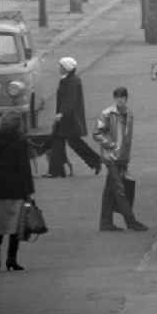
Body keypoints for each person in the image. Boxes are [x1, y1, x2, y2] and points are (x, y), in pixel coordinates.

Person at [0, 109, 34, 271]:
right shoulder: (21, 140)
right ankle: (11, 259)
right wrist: (29, 190)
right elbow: (25, 168)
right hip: (16, 188)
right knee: (15, 225)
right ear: (19, 125)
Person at [93, 87, 148, 231]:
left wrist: (125, 157)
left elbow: (127, 139)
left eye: (123, 97)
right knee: (119, 189)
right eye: (118, 97)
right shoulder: (107, 113)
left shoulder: (129, 114)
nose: (120, 100)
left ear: (126, 98)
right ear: (114, 98)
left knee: (110, 191)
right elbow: (97, 133)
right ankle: (131, 221)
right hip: (111, 157)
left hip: (121, 158)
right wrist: (111, 145)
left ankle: (105, 223)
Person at [45, 57, 103, 178]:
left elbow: (69, 100)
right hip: (67, 117)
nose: (59, 68)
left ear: (66, 68)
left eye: (61, 66)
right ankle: (56, 170)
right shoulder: (68, 80)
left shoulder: (72, 81)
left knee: (72, 142)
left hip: (69, 119)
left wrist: (61, 114)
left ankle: (95, 161)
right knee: (60, 142)